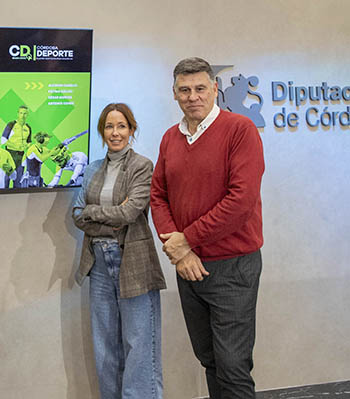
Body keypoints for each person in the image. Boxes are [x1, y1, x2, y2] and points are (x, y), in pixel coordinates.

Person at [150, 57, 265, 398]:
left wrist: (186, 240)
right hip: (188, 268)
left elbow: (240, 201)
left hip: (233, 267)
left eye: (200, 88)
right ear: (174, 94)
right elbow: (158, 196)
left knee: (233, 366)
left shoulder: (240, 130)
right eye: (184, 90)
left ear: (215, 89)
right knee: (210, 361)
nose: (193, 96)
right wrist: (180, 248)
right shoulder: (171, 138)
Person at [72, 103, 166, 399]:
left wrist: (93, 212)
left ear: (132, 130)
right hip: (98, 263)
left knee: (140, 344)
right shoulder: (91, 169)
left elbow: (129, 213)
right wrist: (106, 216)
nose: (115, 132)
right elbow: (76, 213)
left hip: (132, 262)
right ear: (102, 131)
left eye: (121, 126)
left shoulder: (142, 166)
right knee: (105, 346)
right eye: (109, 126)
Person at [1, 105, 32, 187]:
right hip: (10, 154)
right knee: (6, 179)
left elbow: (29, 142)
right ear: (18, 113)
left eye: (25, 113)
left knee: (18, 180)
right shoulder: (11, 124)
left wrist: (26, 146)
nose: (23, 115)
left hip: (21, 157)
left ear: (27, 115)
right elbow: (3, 140)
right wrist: (16, 146)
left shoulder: (28, 127)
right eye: (21, 113)